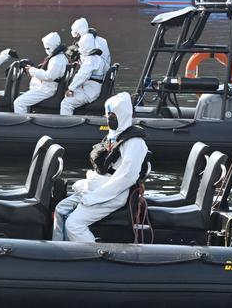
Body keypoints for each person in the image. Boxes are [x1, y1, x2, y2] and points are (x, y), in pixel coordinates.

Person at [52, 92, 148, 242]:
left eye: (112, 115)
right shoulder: (114, 135)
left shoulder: (134, 143)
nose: (108, 118)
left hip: (112, 195)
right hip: (97, 188)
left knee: (74, 224)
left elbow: (126, 177)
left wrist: (94, 198)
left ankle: (93, 255)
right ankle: (59, 249)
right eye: (108, 114)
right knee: (60, 209)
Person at [13, 32, 68, 114]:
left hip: (48, 89)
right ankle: (28, 116)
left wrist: (32, 70)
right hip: (47, 87)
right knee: (25, 98)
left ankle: (22, 124)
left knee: (18, 103)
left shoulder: (57, 60)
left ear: (51, 47)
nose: (46, 50)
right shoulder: (59, 57)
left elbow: (49, 77)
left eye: (47, 48)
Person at [60, 33, 107, 115]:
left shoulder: (90, 60)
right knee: (69, 97)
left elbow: (82, 75)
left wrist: (71, 88)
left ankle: (66, 124)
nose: (79, 49)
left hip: (90, 91)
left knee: (66, 103)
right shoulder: (99, 58)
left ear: (85, 46)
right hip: (92, 89)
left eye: (81, 46)